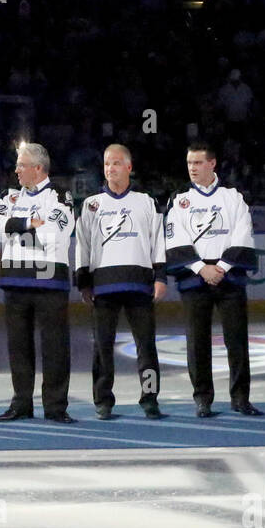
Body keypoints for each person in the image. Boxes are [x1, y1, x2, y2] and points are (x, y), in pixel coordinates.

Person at [164, 143, 262, 417]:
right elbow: (174, 237)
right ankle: (203, 399)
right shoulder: (179, 199)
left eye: (198, 163)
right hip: (194, 281)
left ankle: (240, 398)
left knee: (237, 340)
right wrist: (200, 268)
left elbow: (243, 232)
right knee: (197, 342)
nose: (192, 168)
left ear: (212, 164)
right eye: (189, 163)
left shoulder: (233, 197)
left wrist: (221, 267)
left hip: (229, 279)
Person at [76, 144, 166, 420]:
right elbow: (83, 245)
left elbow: (157, 241)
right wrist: (83, 281)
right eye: (106, 164)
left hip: (139, 283)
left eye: (116, 163)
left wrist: (160, 276)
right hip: (104, 285)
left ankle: (150, 399)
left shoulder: (146, 202)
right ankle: (103, 400)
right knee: (102, 347)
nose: (110, 168)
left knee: (146, 346)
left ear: (129, 167)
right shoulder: (91, 204)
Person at [0, 142, 76, 423]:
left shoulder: (60, 195)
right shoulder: (8, 196)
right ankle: (21, 404)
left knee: (55, 346)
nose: (16, 170)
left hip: (50, 280)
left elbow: (54, 235)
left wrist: (16, 227)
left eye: (21, 166)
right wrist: (30, 223)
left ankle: (55, 406)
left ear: (38, 168)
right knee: (18, 347)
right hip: (14, 278)